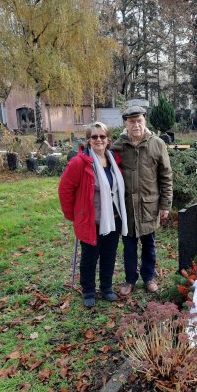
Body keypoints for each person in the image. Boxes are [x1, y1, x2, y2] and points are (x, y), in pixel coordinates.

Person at [59, 122, 128, 307]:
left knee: (109, 255)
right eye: (94, 137)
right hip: (91, 221)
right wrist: (73, 215)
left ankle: (106, 288)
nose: (99, 140)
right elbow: (65, 189)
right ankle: (89, 290)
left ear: (108, 140)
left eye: (102, 136)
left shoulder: (114, 159)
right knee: (90, 257)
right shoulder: (80, 162)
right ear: (88, 140)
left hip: (113, 219)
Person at [113, 106, 173, 295]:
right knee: (129, 246)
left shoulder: (157, 144)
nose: (136, 125)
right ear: (125, 124)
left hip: (149, 205)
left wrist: (165, 204)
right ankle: (130, 280)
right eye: (132, 121)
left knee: (149, 245)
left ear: (144, 121)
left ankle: (149, 277)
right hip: (127, 206)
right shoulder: (118, 146)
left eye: (139, 120)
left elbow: (166, 176)